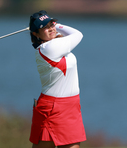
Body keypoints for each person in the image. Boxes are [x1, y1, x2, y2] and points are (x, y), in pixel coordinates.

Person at [29, 10, 86, 148]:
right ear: (35, 33)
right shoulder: (49, 48)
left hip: (71, 106)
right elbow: (78, 34)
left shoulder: (56, 44)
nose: (51, 29)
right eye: (45, 27)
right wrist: (59, 25)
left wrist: (54, 25)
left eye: (51, 24)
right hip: (53, 108)